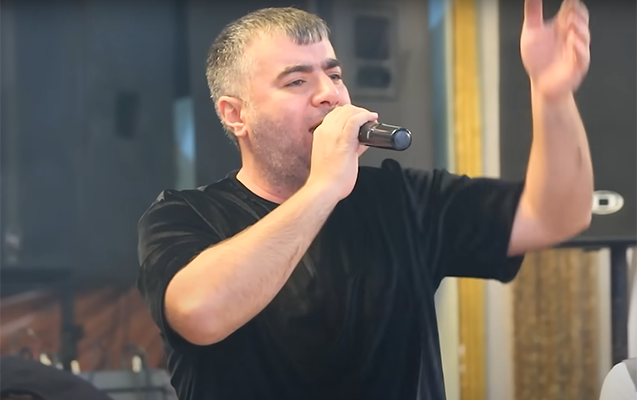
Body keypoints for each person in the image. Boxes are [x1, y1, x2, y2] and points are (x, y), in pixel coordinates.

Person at [136, 0, 593, 399]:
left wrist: (552, 97)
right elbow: (200, 313)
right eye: (296, 82)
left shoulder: (400, 198)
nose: (329, 94)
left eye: (334, 74)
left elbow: (554, 216)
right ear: (236, 115)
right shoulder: (184, 216)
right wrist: (323, 187)